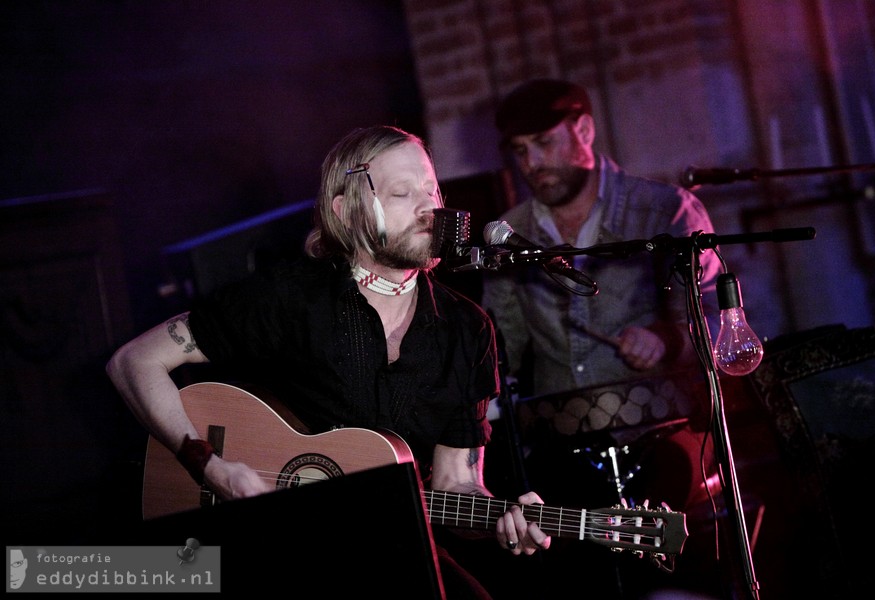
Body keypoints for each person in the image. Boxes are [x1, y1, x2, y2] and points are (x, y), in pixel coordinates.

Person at [106, 125, 551, 598]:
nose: (429, 208)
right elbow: (134, 362)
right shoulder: (290, 299)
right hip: (274, 551)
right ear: (348, 209)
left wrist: (502, 519)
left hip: (391, 547)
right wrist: (210, 467)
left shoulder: (467, 329)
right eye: (403, 193)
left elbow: (456, 484)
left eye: (431, 189)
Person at [479, 79, 726, 598]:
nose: (532, 163)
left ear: (585, 129)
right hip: (559, 463)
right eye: (521, 152)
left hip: (666, 450)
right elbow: (501, 348)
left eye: (544, 143)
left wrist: (667, 339)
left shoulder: (666, 212)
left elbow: (718, 323)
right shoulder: (510, 234)